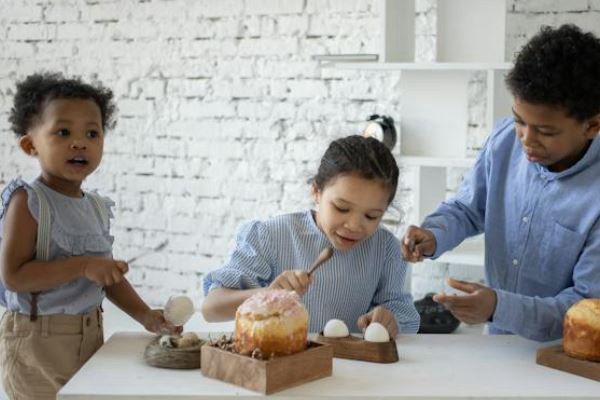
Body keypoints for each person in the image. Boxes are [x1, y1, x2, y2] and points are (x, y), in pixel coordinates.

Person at [401, 24, 600, 342]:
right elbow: (468, 208)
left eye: (546, 131)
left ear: (592, 125)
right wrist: (434, 234)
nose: (526, 139)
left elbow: (585, 307)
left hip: (567, 354)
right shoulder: (505, 138)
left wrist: (498, 306)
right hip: (497, 342)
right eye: (520, 121)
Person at [0, 72, 180, 400]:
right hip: (38, 341)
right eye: (63, 131)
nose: (80, 142)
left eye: (92, 133)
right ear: (30, 145)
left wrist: (145, 315)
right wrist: (82, 265)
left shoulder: (95, 206)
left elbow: (106, 277)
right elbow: (13, 276)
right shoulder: (29, 201)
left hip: (90, 335)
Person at [202, 135, 419, 336]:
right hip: (280, 365)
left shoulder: (386, 248)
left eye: (372, 216)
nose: (354, 225)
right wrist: (267, 294)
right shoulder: (270, 235)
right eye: (341, 208)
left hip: (354, 369)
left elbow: (402, 312)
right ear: (316, 191)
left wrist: (390, 319)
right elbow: (212, 308)